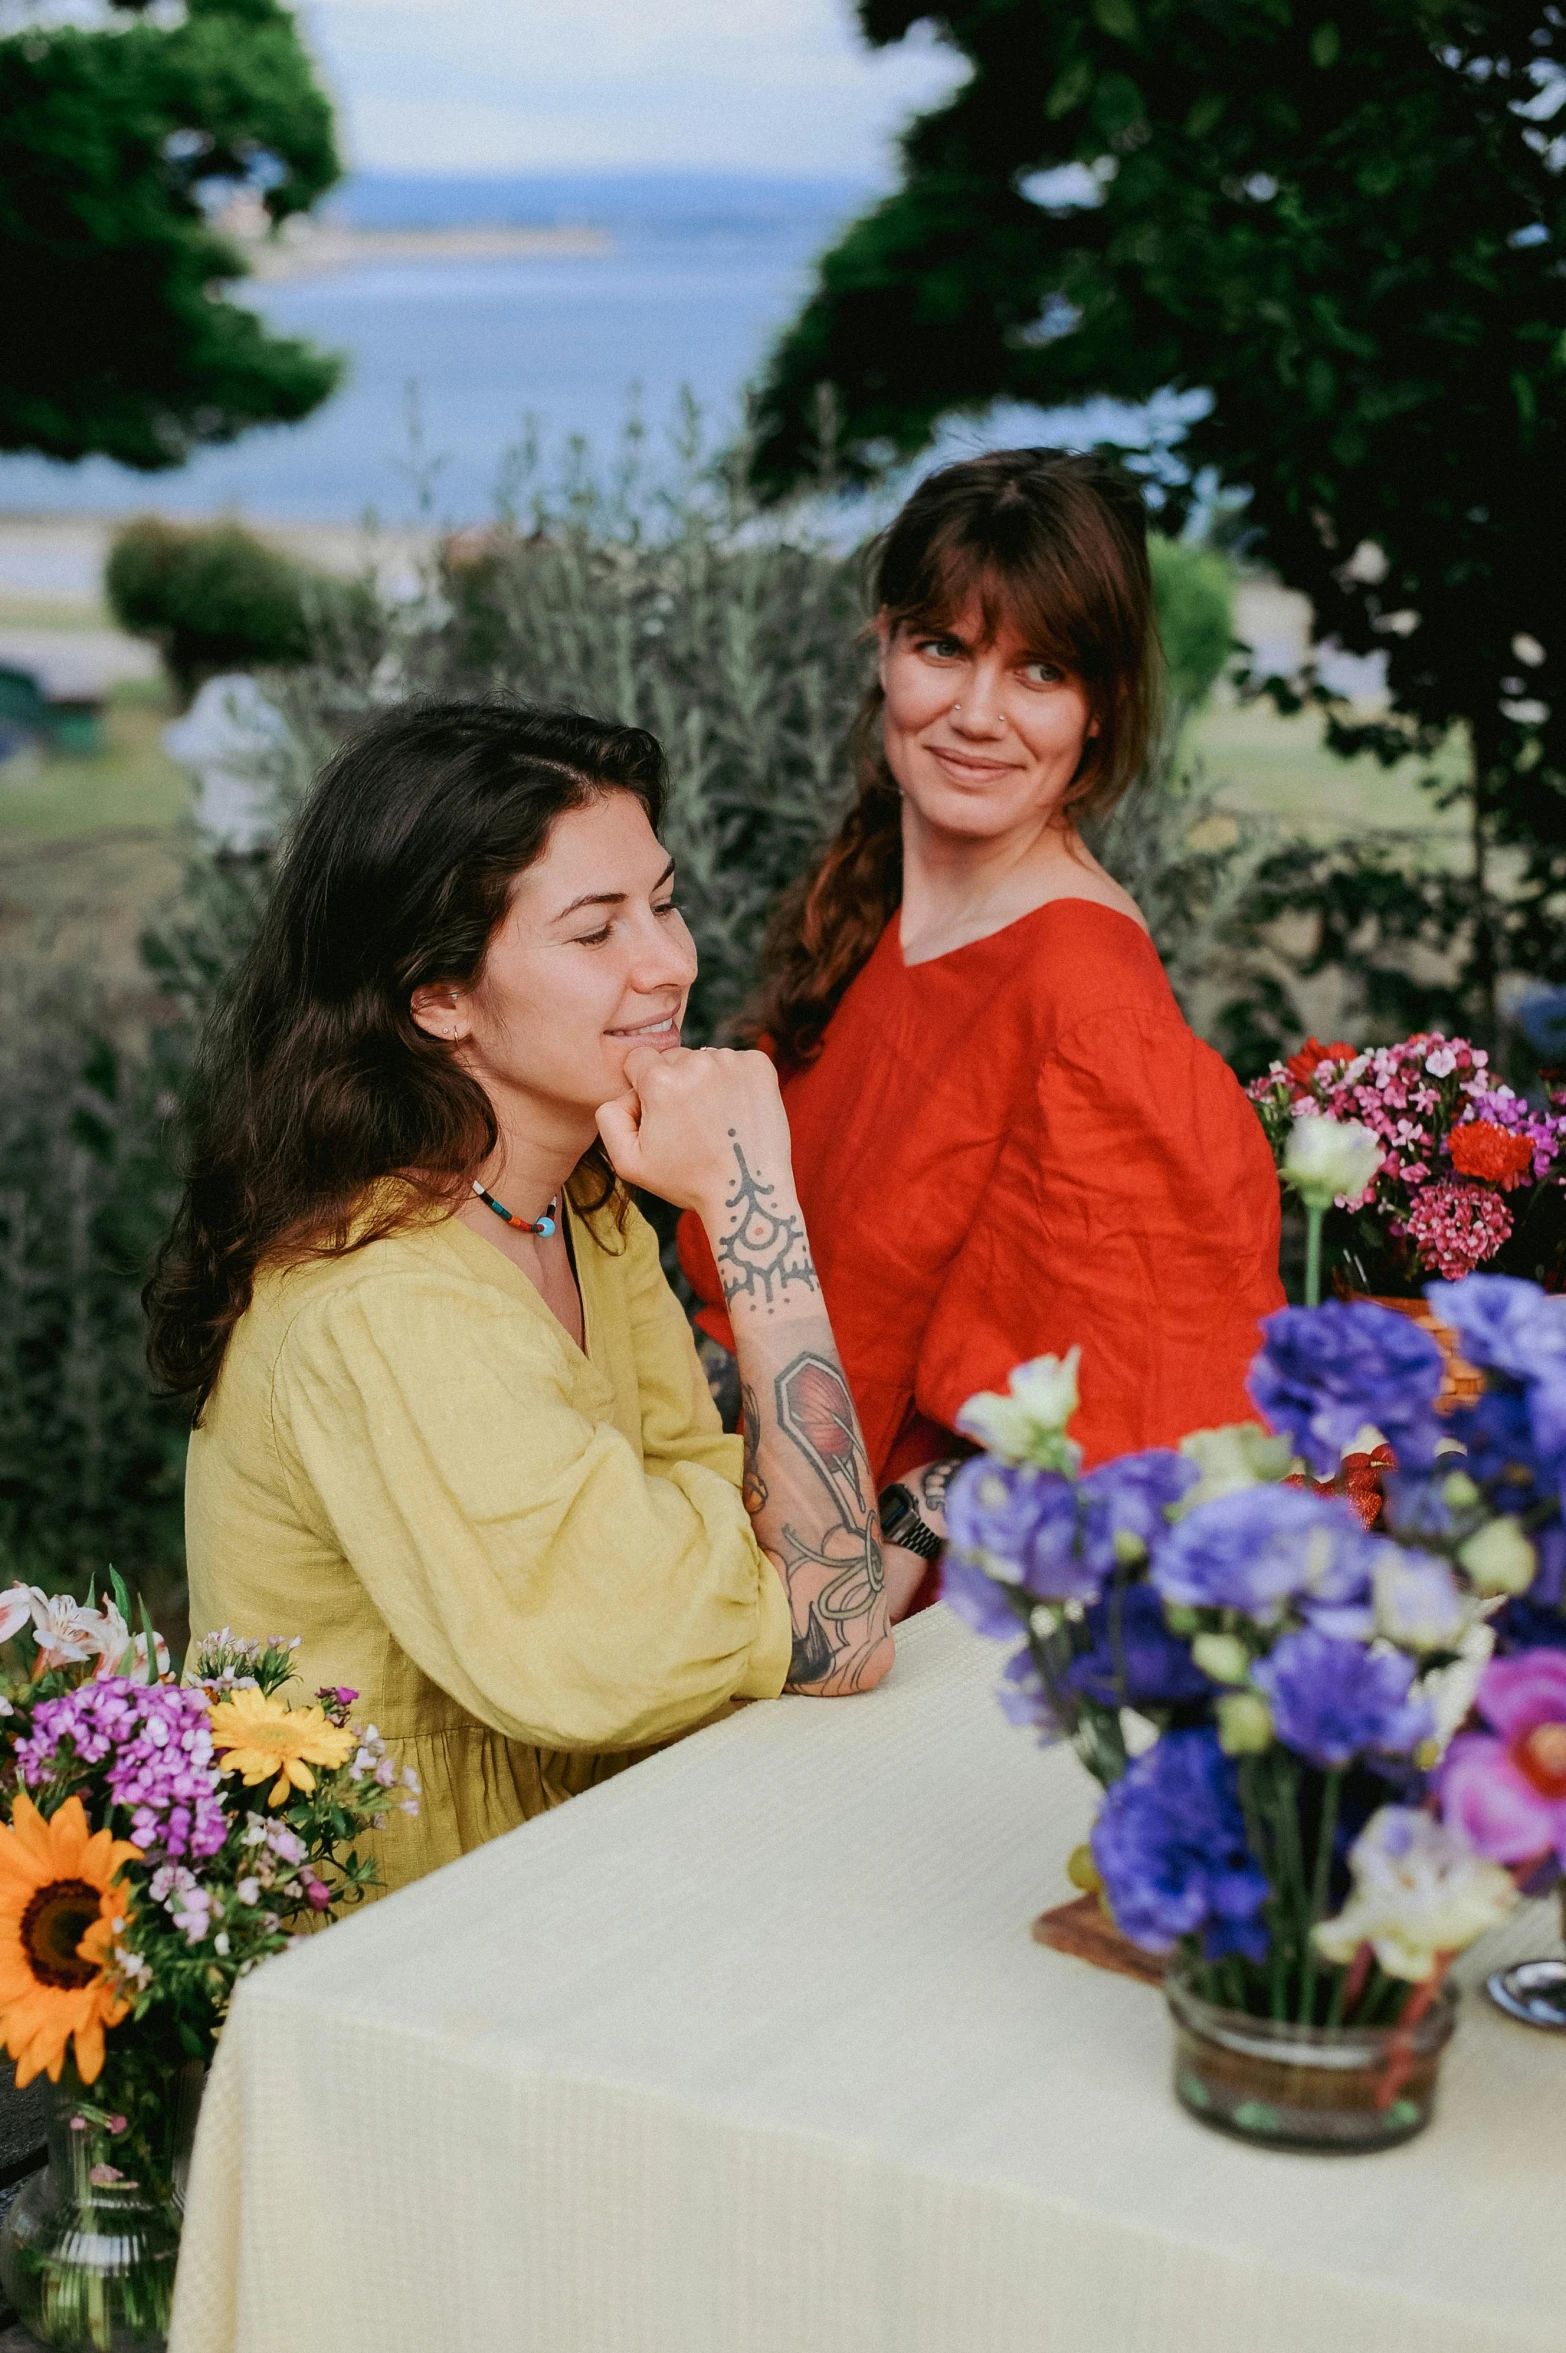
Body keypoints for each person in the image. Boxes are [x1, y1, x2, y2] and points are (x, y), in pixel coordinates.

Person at [145, 702, 892, 1897]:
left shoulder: (574, 1208)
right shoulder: (389, 1308)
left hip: (596, 1859)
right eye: (596, 930)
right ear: (438, 996)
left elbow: (766, 1547)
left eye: (663, 899)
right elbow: (830, 1623)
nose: (670, 960)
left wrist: (738, 1557)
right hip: (408, 1941)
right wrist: (758, 1209)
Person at [679, 449, 1284, 1614]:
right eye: (944, 647)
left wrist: (914, 1521)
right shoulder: (873, 907)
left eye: (1039, 670)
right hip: (737, 1543)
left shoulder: (1089, 1008)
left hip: (889, 1626)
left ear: (1099, 705)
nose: (975, 714)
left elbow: (1154, 1419)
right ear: (886, 646)